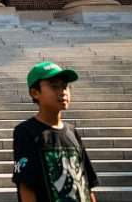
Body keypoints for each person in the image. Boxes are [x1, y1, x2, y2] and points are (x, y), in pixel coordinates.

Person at [13, 61, 98, 202]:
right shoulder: (26, 132)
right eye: (54, 87)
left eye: (65, 86)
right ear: (35, 93)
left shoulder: (72, 132)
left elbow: (86, 184)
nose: (63, 92)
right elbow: (25, 186)